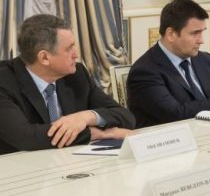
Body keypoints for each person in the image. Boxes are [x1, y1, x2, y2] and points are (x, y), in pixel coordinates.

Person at [0, 14, 134, 153]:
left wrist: (85, 117)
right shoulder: (4, 81)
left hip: (70, 160)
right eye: (69, 48)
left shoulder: (77, 74)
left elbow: (125, 116)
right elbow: (27, 138)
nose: (76, 54)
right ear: (44, 57)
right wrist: (98, 134)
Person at [127, 0, 210, 127]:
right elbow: (175, 114)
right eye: (195, 33)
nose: (201, 40)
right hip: (172, 138)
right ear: (171, 34)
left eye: (202, 32)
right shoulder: (144, 72)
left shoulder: (205, 60)